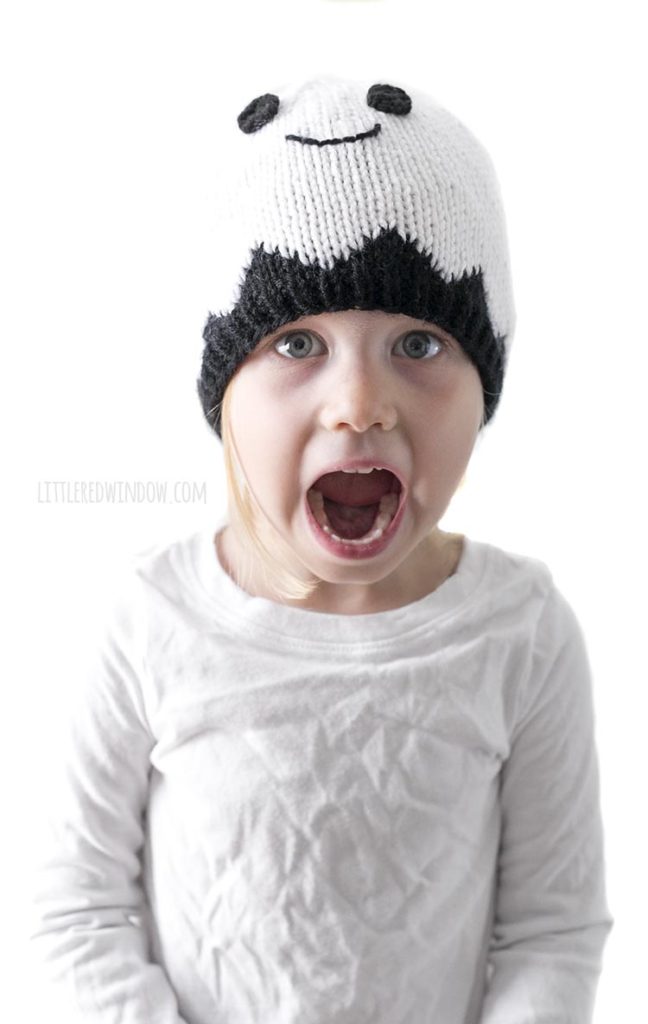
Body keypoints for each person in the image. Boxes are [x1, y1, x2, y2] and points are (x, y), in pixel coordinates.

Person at [28, 75, 614, 1023]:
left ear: (483, 389)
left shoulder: (524, 632)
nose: (359, 404)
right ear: (224, 395)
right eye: (297, 344)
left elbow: (551, 932)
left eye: (419, 345)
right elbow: (75, 912)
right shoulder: (150, 621)